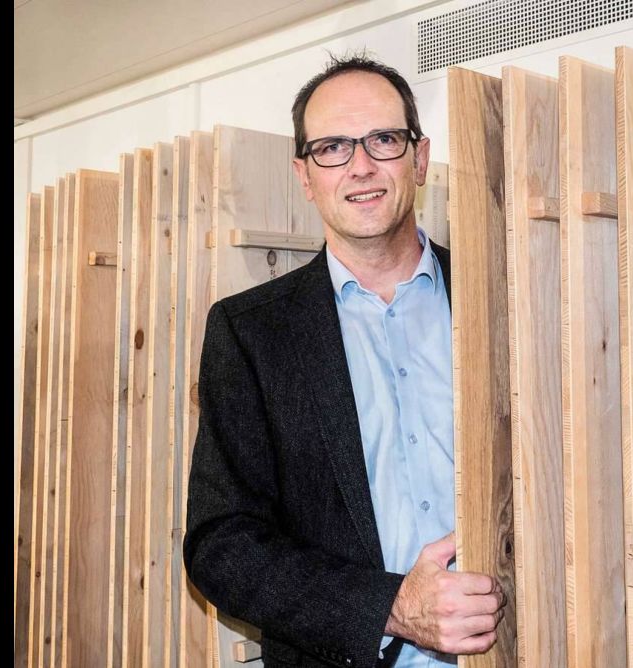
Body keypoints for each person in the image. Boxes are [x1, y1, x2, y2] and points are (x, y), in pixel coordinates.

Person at [184, 54, 506, 668]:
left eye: (383, 139)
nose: (361, 166)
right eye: (332, 147)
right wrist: (391, 607)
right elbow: (221, 545)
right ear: (304, 176)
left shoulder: (506, 294)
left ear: (420, 158)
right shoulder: (251, 333)